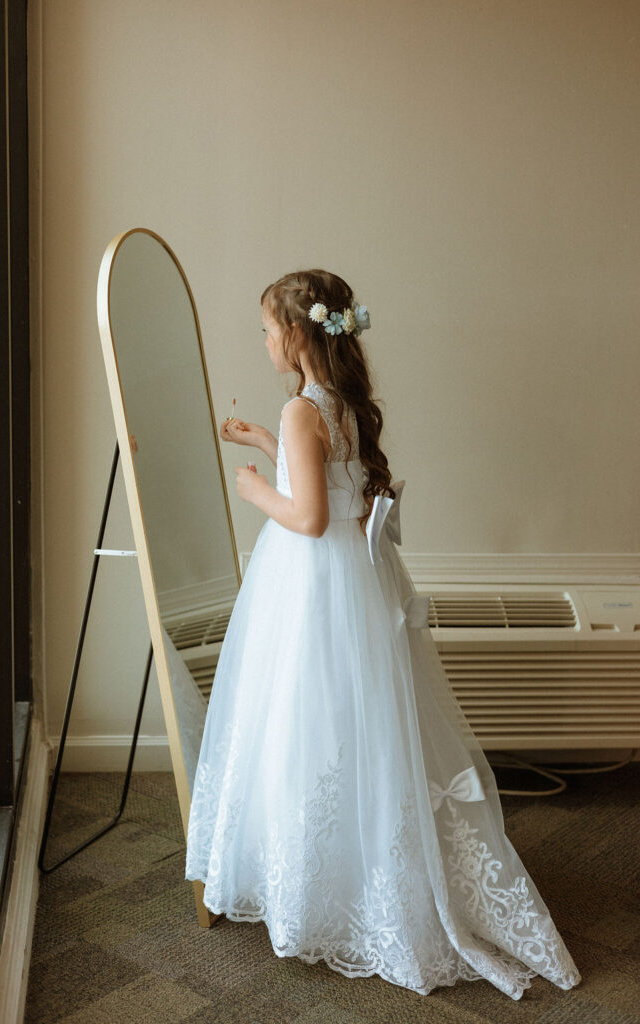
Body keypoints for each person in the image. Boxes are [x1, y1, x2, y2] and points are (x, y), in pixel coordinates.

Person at [184, 269, 582, 1000]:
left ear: (299, 336)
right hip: (356, 583)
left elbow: (305, 516)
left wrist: (254, 488)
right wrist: (266, 438)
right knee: (355, 719)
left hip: (308, 582)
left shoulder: (303, 412)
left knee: (302, 719)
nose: (265, 342)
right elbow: (336, 483)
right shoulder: (343, 407)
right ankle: (355, 860)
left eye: (268, 331)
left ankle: (313, 883)